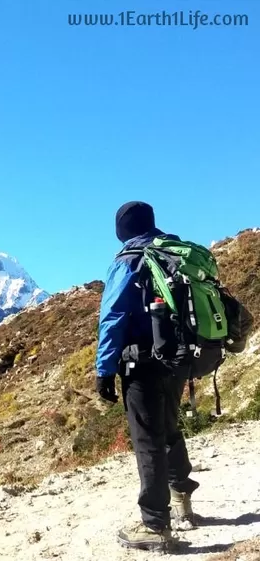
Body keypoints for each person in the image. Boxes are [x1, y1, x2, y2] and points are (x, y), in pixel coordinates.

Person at [95, 201, 200, 552]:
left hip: (142, 363)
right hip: (180, 360)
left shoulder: (128, 260)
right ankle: (183, 500)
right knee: (170, 427)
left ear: (122, 230)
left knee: (148, 440)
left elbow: (112, 318)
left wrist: (104, 371)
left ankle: (155, 526)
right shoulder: (174, 253)